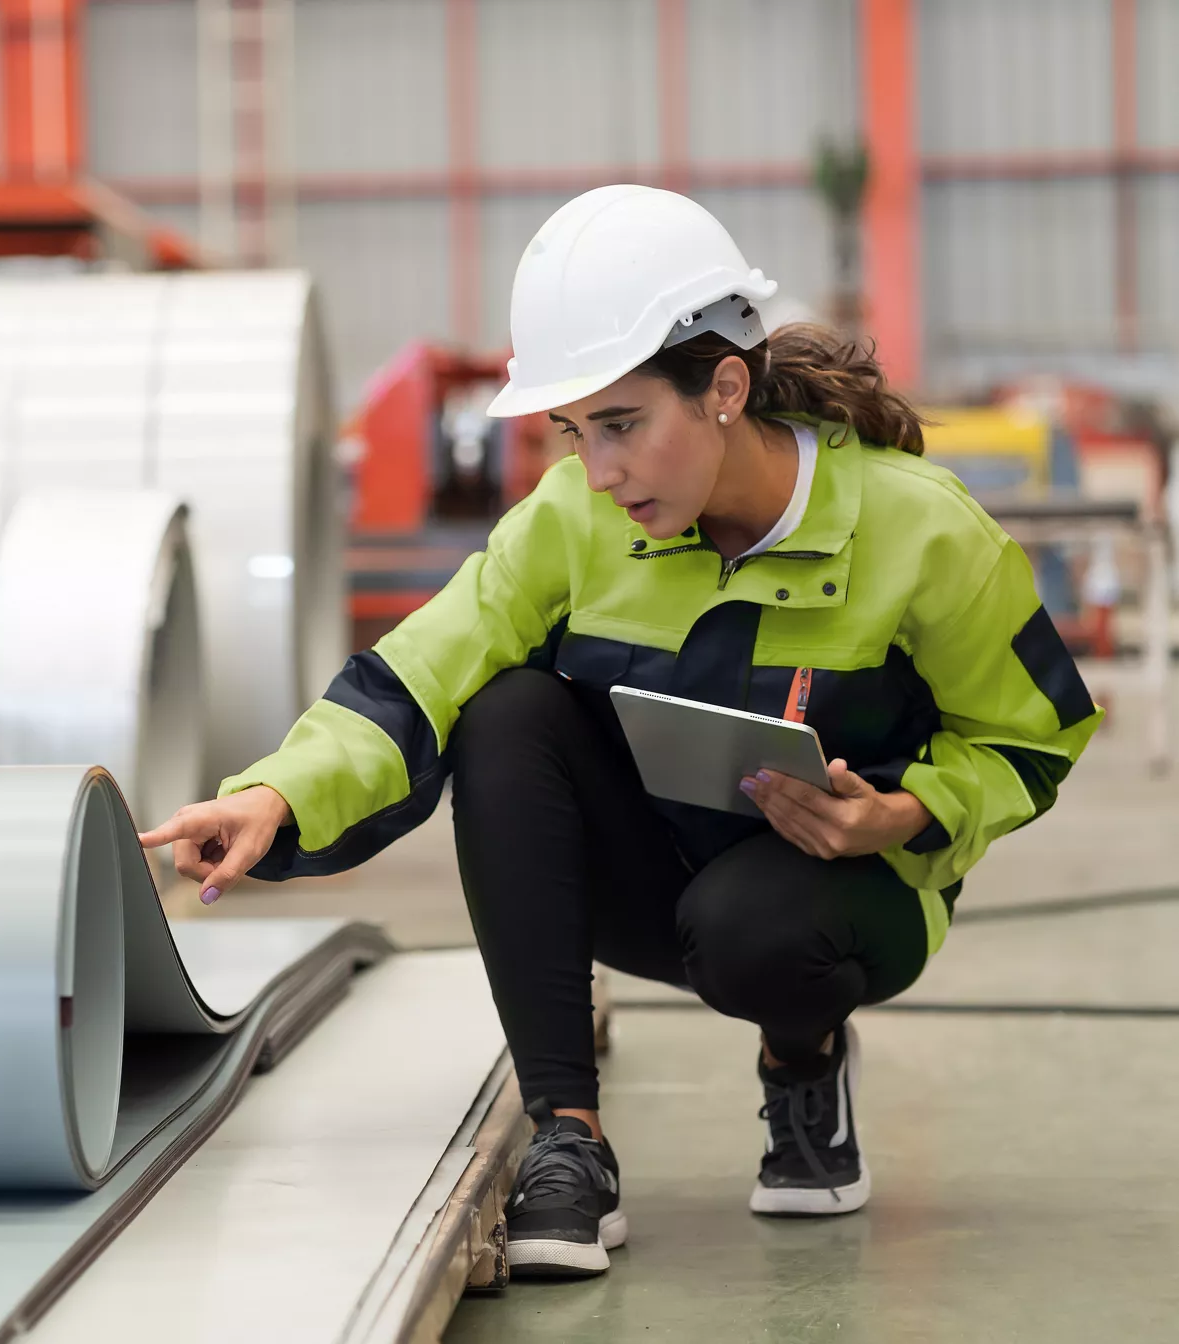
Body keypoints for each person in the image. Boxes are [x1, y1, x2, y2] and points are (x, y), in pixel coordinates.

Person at [141, 186, 1102, 1280]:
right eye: (573, 430)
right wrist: (278, 792)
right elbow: (424, 668)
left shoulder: (922, 531)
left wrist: (907, 812)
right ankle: (568, 1138)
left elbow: (1033, 735)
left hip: (847, 893)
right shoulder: (573, 522)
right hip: (648, 875)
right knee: (505, 711)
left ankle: (803, 1057)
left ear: (724, 387)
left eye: (621, 424)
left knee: (759, 929)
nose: (596, 471)